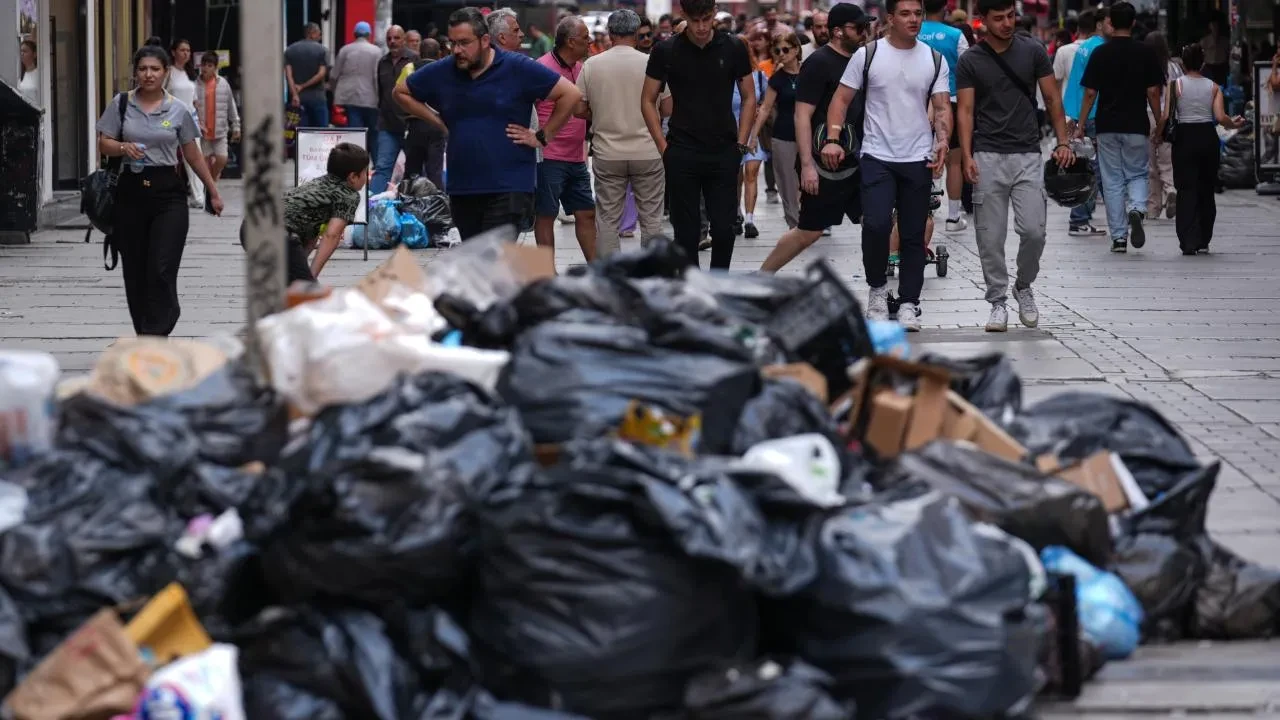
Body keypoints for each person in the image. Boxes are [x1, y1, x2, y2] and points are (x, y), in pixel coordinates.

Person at [396, 7, 583, 241]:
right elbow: (401, 92)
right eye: (453, 43)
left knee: (495, 262)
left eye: (464, 43)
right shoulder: (445, 69)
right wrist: (437, 121)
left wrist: (543, 136)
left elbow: (571, 94)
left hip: (510, 185)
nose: (457, 50)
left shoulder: (517, 67)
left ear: (485, 40)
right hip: (463, 186)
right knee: (476, 264)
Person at [822, 0, 950, 331]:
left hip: (918, 158)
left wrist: (942, 141)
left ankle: (909, 302)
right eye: (905, 14)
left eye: (918, 14)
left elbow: (941, 106)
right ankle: (878, 291)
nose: (914, 20)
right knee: (876, 225)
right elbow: (840, 99)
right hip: (877, 155)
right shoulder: (867, 55)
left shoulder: (934, 59)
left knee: (912, 233)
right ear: (890, 18)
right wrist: (833, 138)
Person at [957, 0, 1073, 333]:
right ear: (983, 21)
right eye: (999, 18)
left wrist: (1063, 142)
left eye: (1010, 16)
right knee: (990, 238)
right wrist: (966, 155)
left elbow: (1052, 98)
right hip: (987, 154)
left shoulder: (1033, 50)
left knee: (1034, 231)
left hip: (1027, 153)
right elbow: (964, 111)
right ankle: (997, 302)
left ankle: (1023, 285)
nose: (1007, 23)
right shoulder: (971, 60)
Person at [96, 44, 223, 338]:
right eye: (143, 69)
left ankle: (159, 326)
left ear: (166, 73)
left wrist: (212, 191)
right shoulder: (121, 104)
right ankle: (145, 333)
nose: (148, 74)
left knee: (162, 266)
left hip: (168, 194)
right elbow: (104, 143)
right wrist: (123, 147)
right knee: (135, 269)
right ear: (135, 72)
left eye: (155, 69)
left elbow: (192, 155)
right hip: (129, 193)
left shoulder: (178, 110)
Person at [643, 0, 756, 269]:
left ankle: (718, 284)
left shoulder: (733, 47)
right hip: (682, 150)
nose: (702, 26)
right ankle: (692, 289)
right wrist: (663, 147)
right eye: (695, 20)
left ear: (714, 13)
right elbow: (647, 99)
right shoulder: (666, 50)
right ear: (684, 16)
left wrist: (740, 143)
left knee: (725, 228)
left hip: (724, 149)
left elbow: (750, 96)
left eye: (706, 18)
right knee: (686, 231)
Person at [759, 3, 871, 272]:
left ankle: (885, 278)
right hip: (826, 165)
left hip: (858, 160)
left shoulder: (859, 60)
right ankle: (762, 274)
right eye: (858, 28)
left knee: (879, 219)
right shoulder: (819, 63)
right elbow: (801, 116)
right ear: (838, 32)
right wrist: (807, 165)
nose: (864, 33)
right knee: (809, 231)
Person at [1076, 1, 1163, 253]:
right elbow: (1153, 92)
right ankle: (1136, 207)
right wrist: (1158, 121)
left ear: (1111, 23)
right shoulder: (1146, 52)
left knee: (1112, 179)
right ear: (1133, 22)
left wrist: (1081, 124)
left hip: (1106, 125)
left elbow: (1090, 92)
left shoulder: (1100, 53)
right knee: (1137, 173)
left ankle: (1119, 237)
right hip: (1136, 124)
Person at [578, 9, 667, 256]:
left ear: (610, 33)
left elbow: (578, 108)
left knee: (607, 220)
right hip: (648, 151)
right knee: (652, 220)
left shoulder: (592, 65)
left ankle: (611, 276)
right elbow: (669, 106)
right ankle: (652, 272)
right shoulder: (652, 64)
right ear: (637, 33)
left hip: (608, 154)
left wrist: (599, 113)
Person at [1156, 44, 1245, 255]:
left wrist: (1157, 135)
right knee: (1206, 189)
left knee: (1186, 190)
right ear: (1203, 63)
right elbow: (1221, 118)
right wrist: (1235, 124)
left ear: (1183, 63)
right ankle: (1204, 238)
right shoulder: (1214, 87)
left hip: (1184, 139)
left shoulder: (1174, 85)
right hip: (1207, 137)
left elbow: (1166, 116)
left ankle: (1188, 240)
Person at [240, 142, 369, 282]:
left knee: (290, 285)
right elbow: (332, 235)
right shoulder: (348, 195)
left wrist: (301, 272)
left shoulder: (319, 183)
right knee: (308, 295)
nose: (367, 177)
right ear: (353, 177)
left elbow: (310, 235)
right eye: (365, 172)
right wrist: (310, 278)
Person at [532, 17, 597, 260]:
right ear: (571, 42)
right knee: (546, 215)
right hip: (549, 157)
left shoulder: (582, 69)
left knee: (586, 213)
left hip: (577, 157)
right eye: (585, 37)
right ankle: (548, 273)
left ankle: (596, 269)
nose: (590, 41)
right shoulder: (541, 68)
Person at [920, 0, 969, 233]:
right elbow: (968, 69)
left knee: (919, 158)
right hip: (952, 101)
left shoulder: (912, 31)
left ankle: (921, 210)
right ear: (945, 9)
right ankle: (953, 217)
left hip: (917, 102)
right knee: (954, 161)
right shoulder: (956, 35)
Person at [1060, 9, 1107, 237]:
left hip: (1084, 113)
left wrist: (1074, 116)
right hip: (1097, 113)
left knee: (1088, 166)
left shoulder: (1084, 47)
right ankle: (1079, 218)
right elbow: (1091, 89)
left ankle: (1080, 218)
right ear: (1100, 24)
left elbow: (1076, 85)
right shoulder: (1100, 48)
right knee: (1095, 168)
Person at [749, 30, 803, 229]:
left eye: (785, 49)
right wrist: (753, 136)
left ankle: (809, 220)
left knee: (808, 180)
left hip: (808, 135)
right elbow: (764, 108)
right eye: (777, 50)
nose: (781, 54)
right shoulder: (777, 79)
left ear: (796, 50)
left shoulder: (809, 72)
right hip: (783, 136)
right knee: (787, 182)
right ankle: (794, 224)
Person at [371, 25, 417, 195]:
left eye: (396, 38)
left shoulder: (414, 60)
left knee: (413, 171)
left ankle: (411, 206)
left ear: (404, 40)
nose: (392, 42)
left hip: (410, 125)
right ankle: (370, 207)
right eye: (389, 38)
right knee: (382, 167)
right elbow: (381, 93)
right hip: (387, 125)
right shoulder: (382, 62)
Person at [399, 39, 447, 189]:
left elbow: (399, 94)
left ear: (419, 53)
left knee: (412, 171)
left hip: (416, 125)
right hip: (437, 125)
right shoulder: (445, 69)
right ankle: (438, 206)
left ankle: (408, 202)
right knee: (435, 172)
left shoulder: (410, 67)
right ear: (439, 53)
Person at [1144, 31, 1182, 219]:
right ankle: (1171, 188)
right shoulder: (1174, 68)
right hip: (1170, 117)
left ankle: (1153, 207)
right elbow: (1179, 92)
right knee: (1167, 161)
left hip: (1148, 116)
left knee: (1150, 164)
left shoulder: (1143, 65)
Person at [164, 39, 205, 209]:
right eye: (182, 50)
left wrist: (200, 120)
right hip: (171, 120)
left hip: (191, 120)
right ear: (173, 52)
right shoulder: (168, 72)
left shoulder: (190, 74)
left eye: (188, 50)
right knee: (167, 158)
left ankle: (198, 196)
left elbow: (194, 101)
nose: (185, 53)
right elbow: (161, 95)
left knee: (196, 158)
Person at [736, 43, 770, 238]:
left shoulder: (758, 76)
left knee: (751, 173)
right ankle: (737, 214)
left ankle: (749, 218)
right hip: (732, 130)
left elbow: (767, 101)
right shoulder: (725, 75)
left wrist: (760, 109)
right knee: (736, 177)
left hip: (753, 131)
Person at [331, 21, 383, 150]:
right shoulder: (376, 51)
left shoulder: (345, 50)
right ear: (369, 35)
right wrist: (380, 98)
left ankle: (355, 162)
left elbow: (333, 75)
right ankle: (376, 163)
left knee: (355, 134)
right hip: (371, 99)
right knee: (374, 133)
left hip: (350, 98)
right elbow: (378, 76)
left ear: (354, 34)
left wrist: (335, 93)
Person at [193, 51, 240, 183]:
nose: (206, 68)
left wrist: (236, 125)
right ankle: (209, 187)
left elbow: (231, 105)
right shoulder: (194, 85)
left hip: (220, 130)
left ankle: (211, 180)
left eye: (209, 65)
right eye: (204, 65)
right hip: (203, 132)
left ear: (215, 67)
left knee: (222, 158)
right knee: (204, 162)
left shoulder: (223, 83)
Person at [285, 23, 332, 128]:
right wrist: (303, 86)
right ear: (312, 34)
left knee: (301, 133)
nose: (320, 37)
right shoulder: (323, 50)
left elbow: (288, 75)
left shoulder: (290, 50)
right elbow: (321, 74)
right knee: (321, 133)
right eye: (319, 34)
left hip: (298, 99)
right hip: (318, 98)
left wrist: (295, 94)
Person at [18, 39, 38, 105]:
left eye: (25, 51)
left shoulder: (39, 74)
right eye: (21, 51)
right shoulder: (21, 75)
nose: (22, 54)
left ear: (34, 54)